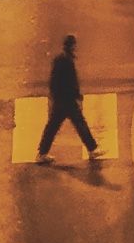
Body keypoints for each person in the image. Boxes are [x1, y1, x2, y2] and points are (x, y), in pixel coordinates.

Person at [36, 35, 101, 163]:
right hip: (67, 100)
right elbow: (70, 81)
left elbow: (54, 81)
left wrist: (54, 96)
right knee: (79, 124)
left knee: (53, 127)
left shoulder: (61, 59)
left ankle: (42, 153)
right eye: (74, 45)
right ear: (71, 46)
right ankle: (92, 150)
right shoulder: (66, 61)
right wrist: (76, 95)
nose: (76, 47)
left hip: (61, 99)